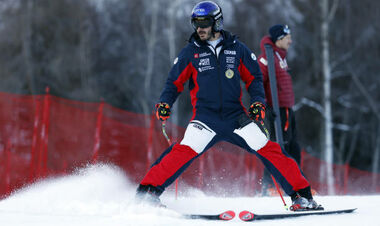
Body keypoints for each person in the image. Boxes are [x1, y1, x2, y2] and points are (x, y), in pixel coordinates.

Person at [135, 1, 322, 211]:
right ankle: (147, 193)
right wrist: (165, 103)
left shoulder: (236, 49)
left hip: (236, 117)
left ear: (217, 22)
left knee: (270, 149)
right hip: (205, 119)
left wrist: (258, 102)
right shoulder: (191, 52)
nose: (200, 28)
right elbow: (174, 82)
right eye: (196, 23)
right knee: (182, 151)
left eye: (204, 22)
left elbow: (255, 79)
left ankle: (302, 196)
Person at [258, 25, 302, 195]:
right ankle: (269, 186)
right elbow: (256, 83)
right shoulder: (267, 57)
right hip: (275, 111)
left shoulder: (280, 57)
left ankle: (297, 184)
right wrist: (263, 107)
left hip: (287, 109)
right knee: (277, 147)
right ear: (279, 39)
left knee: (293, 147)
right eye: (287, 37)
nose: (290, 41)